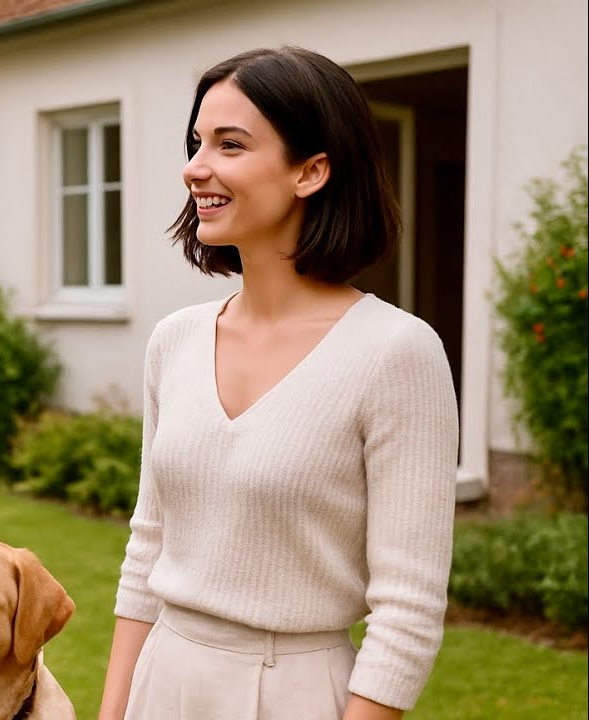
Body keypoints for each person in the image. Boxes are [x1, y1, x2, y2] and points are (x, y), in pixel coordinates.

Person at [97, 46, 458, 720]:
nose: (195, 167)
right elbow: (148, 547)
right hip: (162, 678)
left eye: (230, 145)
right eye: (196, 142)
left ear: (312, 170)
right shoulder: (174, 341)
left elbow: (407, 610)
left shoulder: (396, 353)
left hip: (295, 692)